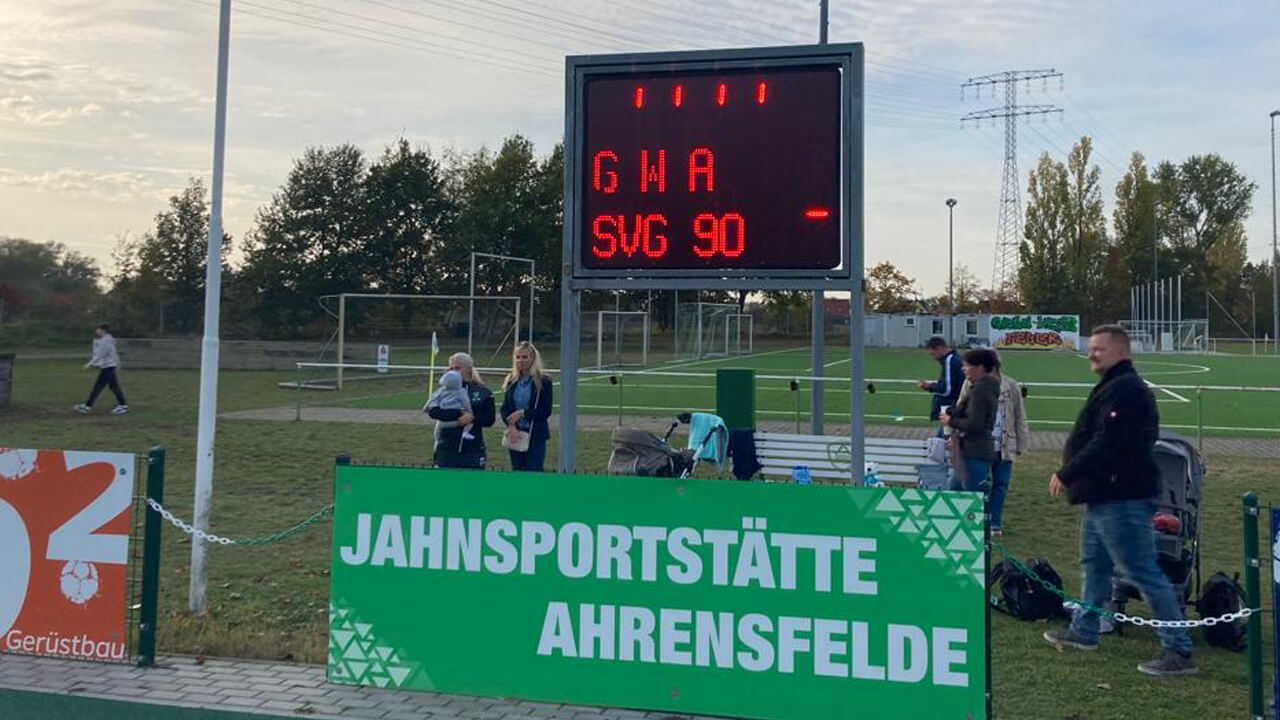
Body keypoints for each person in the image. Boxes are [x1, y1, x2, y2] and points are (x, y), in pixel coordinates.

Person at [1043, 324, 1195, 677]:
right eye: (1091, 348)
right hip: (1104, 497)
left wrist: (1066, 472)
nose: (1092, 354)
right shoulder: (1113, 386)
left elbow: (1107, 442)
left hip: (1122, 497)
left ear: (1122, 352)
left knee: (1142, 571)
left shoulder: (1125, 389)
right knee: (1095, 564)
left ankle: (1179, 650)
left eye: (1101, 349)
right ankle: (1085, 630)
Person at [938, 349, 999, 492]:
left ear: (980, 367)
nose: (963, 369)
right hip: (975, 451)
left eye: (966, 365)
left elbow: (974, 424)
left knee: (967, 497)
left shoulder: (980, 391)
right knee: (960, 492)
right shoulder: (984, 387)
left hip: (974, 452)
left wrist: (950, 420)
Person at [424, 352, 495, 469]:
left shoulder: (483, 392)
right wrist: (458, 415)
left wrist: (473, 418)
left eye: (457, 368)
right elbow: (433, 412)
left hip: (473, 450)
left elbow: (489, 419)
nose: (453, 372)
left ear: (468, 369)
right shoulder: (443, 390)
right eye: (451, 368)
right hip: (446, 448)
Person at [989, 357, 1030, 537]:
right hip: (981, 445)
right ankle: (977, 520)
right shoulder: (971, 383)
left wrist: (1021, 444)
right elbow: (960, 406)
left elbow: (1020, 416)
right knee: (981, 485)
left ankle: (995, 523)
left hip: (1005, 444)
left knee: (1000, 485)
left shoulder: (1011, 386)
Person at [500, 341, 554, 472]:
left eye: (525, 357)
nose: (521, 360)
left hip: (535, 435)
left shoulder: (543, 381)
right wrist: (511, 426)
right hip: (515, 434)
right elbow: (505, 408)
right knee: (517, 470)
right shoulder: (511, 380)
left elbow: (545, 411)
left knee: (533, 471)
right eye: (518, 357)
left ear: (533, 359)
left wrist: (523, 413)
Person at [74, 324, 128, 415]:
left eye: (98, 329)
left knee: (99, 387)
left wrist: (89, 364)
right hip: (108, 367)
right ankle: (122, 405)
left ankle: (87, 406)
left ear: (103, 330)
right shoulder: (107, 340)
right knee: (113, 387)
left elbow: (101, 354)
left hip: (108, 367)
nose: (96, 331)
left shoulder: (106, 341)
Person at [918, 337, 964, 423]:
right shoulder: (954, 359)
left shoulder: (950, 361)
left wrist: (929, 386)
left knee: (945, 435)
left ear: (939, 348)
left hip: (950, 408)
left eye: (933, 354)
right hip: (955, 407)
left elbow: (947, 390)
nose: (933, 358)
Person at [425, 370, 476, 446]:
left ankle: (437, 440)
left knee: (438, 428)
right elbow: (466, 402)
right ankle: (465, 432)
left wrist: (426, 408)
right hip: (456, 418)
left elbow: (432, 400)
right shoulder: (460, 391)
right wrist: (469, 412)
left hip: (442, 419)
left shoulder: (441, 391)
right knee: (469, 422)